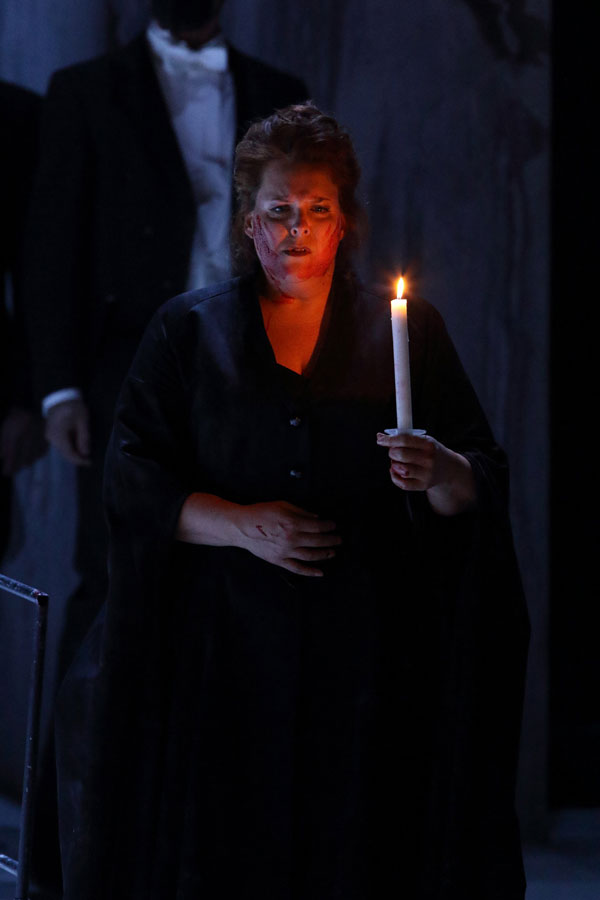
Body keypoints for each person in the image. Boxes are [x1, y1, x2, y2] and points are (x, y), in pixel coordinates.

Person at [56, 103, 529, 899]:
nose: (296, 231)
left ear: (345, 223)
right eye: (278, 211)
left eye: (317, 210)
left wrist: (440, 469)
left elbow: (478, 482)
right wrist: (244, 526)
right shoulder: (187, 333)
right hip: (225, 666)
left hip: (368, 667)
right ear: (249, 223)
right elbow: (133, 485)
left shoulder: (409, 333)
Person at [23, 3, 307, 891]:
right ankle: (66, 846)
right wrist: (59, 388)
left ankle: (215, 836)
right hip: (123, 374)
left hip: (257, 374)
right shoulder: (84, 91)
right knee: (111, 580)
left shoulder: (279, 90)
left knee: (247, 580)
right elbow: (50, 244)